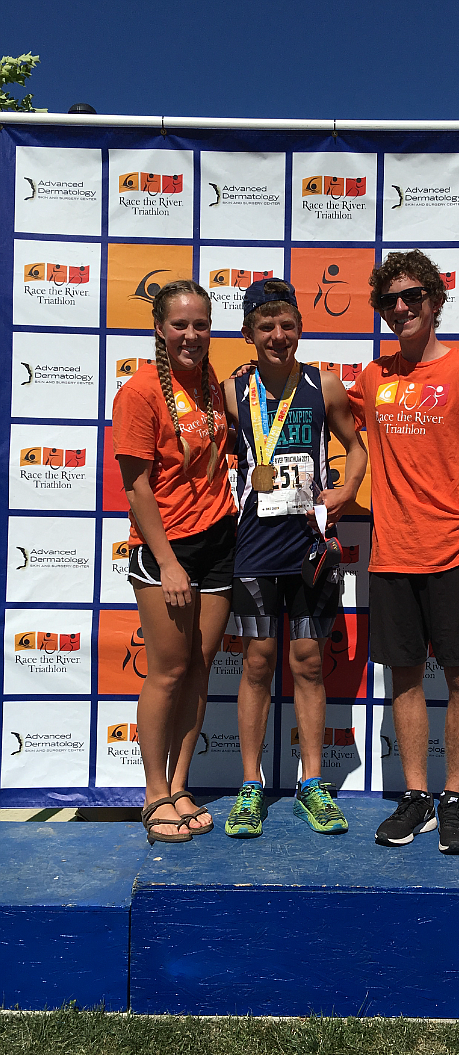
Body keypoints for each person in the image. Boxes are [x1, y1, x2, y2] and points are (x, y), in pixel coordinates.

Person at [348, 250, 459, 854]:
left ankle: (454, 799)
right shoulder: (374, 377)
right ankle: (415, 797)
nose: (400, 308)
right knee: (405, 678)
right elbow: (342, 430)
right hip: (393, 553)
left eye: (413, 296)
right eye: (389, 300)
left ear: (436, 300)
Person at [222, 278, 367, 838]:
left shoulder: (323, 385)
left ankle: (312, 783)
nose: (278, 336)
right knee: (257, 663)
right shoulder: (235, 393)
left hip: (309, 549)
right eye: (266, 327)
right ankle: (250, 785)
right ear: (249, 334)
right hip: (254, 550)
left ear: (300, 329)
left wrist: (346, 491)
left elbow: (356, 446)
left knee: (307, 663)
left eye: (287, 325)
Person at [113, 279, 236, 844]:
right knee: (167, 669)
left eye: (201, 324)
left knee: (200, 665)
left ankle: (181, 783)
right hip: (166, 549)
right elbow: (136, 488)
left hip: (217, 538)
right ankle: (153, 794)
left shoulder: (210, 380)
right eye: (180, 324)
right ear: (159, 328)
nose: (191, 335)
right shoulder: (139, 392)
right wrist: (167, 561)